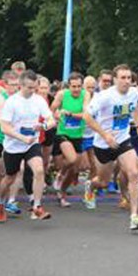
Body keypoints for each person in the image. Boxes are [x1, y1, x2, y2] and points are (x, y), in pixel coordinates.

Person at [82, 65, 138, 231]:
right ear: (115, 79)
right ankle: (90, 185)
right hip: (103, 144)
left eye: (128, 78)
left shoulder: (134, 93)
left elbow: (134, 111)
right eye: (123, 78)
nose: (126, 81)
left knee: (133, 173)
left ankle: (134, 216)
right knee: (103, 182)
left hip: (123, 139)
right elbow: (87, 117)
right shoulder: (104, 97)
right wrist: (105, 135)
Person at [0, 70, 54, 223]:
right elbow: (4, 128)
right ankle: (0, 203)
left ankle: (37, 206)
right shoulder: (11, 102)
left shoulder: (39, 100)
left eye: (34, 87)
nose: (32, 91)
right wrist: (22, 137)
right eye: (29, 87)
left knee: (39, 170)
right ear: (20, 85)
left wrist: (43, 126)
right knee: (10, 178)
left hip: (31, 144)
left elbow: (51, 120)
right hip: (13, 146)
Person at [50, 72, 90, 207]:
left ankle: (62, 193)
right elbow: (52, 109)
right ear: (69, 86)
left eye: (79, 86)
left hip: (78, 135)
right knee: (72, 159)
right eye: (74, 86)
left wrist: (71, 114)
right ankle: (60, 174)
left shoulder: (86, 95)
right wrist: (56, 115)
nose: (76, 89)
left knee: (75, 169)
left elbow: (85, 114)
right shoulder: (62, 94)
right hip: (63, 133)